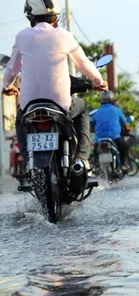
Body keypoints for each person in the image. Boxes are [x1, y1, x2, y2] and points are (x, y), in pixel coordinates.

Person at [1, 0, 107, 172]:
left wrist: (7, 87)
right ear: (55, 17)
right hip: (62, 104)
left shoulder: (22, 36)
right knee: (84, 108)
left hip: (30, 105)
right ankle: (82, 158)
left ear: (30, 16)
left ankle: (28, 160)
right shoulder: (64, 36)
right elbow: (83, 64)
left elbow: (12, 69)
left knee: (20, 119)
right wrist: (99, 82)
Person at [90, 91, 131, 171]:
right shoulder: (117, 110)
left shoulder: (97, 112)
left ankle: (96, 164)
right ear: (112, 99)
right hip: (115, 136)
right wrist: (128, 131)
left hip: (99, 138)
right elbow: (125, 124)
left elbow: (91, 124)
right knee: (124, 147)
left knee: (95, 150)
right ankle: (123, 164)